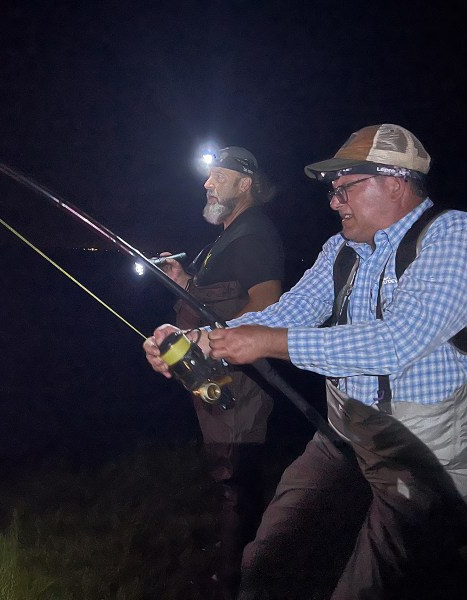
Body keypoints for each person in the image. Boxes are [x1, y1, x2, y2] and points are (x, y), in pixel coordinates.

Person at [144, 124, 467, 599]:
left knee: (374, 585)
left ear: (394, 182)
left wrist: (269, 342)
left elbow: (396, 342)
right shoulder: (340, 250)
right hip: (345, 433)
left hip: (423, 451)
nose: (333, 202)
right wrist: (199, 340)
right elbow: (283, 312)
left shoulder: (455, 234)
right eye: (333, 191)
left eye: (345, 188)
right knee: (267, 564)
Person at [157, 146, 283, 599]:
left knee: (237, 477)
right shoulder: (226, 237)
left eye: (218, 176)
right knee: (227, 471)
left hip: (238, 380)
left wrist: (211, 343)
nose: (207, 184)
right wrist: (185, 282)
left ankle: (236, 578)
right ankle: (237, 557)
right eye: (207, 177)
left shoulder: (254, 235)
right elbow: (217, 295)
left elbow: (266, 306)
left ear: (245, 183)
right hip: (212, 371)